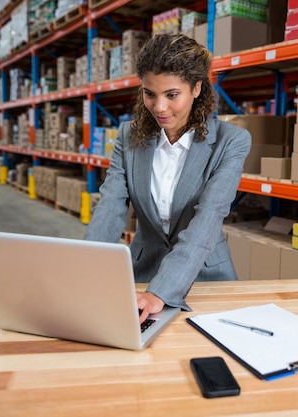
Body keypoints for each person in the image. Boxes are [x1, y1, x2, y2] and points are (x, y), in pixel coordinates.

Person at [84, 34, 252, 323]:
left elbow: (208, 218)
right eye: (150, 93)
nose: (159, 107)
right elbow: (110, 207)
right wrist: (85, 269)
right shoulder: (129, 137)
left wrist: (161, 291)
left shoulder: (231, 141)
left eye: (171, 95)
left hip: (205, 278)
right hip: (142, 275)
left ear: (197, 88)